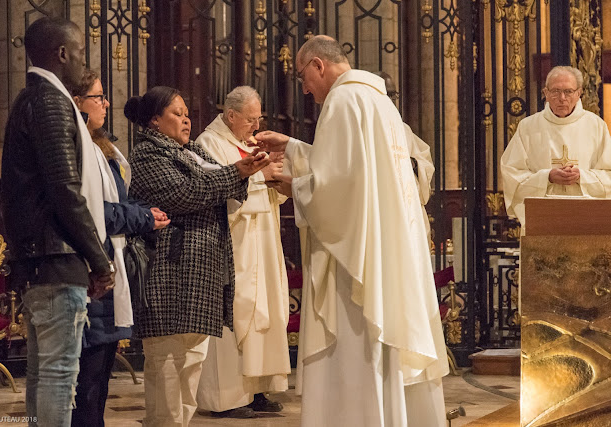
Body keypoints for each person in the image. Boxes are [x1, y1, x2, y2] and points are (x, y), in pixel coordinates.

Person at [254, 35, 449, 427]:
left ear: (318, 65)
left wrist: (294, 186)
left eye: (302, 76)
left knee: (357, 339)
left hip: (357, 253)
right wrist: (293, 145)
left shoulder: (342, 101)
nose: (304, 88)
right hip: (387, 242)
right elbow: (358, 167)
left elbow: (337, 184)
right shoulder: (379, 102)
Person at [124, 86, 270, 427]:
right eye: (177, 113)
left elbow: (218, 182)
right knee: (167, 363)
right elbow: (185, 194)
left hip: (195, 275)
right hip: (170, 273)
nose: (186, 119)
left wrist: (243, 169)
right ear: (155, 121)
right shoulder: (148, 155)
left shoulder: (188, 153)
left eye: (187, 112)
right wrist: (239, 172)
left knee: (188, 363)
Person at [1, 17, 115, 427]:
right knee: (58, 376)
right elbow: (65, 188)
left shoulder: (31, 98)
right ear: (62, 53)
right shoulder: (49, 100)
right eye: (81, 51)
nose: (84, 60)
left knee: (45, 375)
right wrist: (99, 259)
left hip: (43, 259)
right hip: (56, 260)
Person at [68, 69, 170, 427]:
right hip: (90, 271)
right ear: (78, 102)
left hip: (109, 270)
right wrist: (141, 218)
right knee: (86, 386)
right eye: (98, 97)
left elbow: (115, 203)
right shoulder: (80, 147)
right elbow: (94, 210)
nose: (106, 103)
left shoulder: (103, 146)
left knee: (99, 385)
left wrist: (140, 213)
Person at [195, 86, 290, 418]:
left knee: (266, 314)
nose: (256, 124)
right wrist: (261, 177)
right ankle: (228, 398)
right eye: (251, 118)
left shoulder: (247, 143)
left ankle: (257, 389)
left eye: (259, 117)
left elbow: (269, 191)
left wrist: (276, 176)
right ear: (231, 115)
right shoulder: (210, 143)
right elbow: (216, 192)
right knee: (238, 314)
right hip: (234, 246)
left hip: (262, 241)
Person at [501, 65, 611, 232]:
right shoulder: (528, 127)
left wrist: (582, 176)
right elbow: (512, 176)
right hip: (542, 220)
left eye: (568, 91)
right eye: (555, 91)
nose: (562, 98)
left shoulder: (596, 126)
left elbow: (608, 175)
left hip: (587, 221)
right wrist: (547, 176)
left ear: (578, 93)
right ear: (545, 93)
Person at [375, 71, 435, 237]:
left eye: (393, 94)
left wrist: (415, 164)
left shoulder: (404, 129)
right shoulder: (365, 129)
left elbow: (425, 162)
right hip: (382, 212)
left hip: (410, 210)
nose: (391, 100)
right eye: (386, 94)